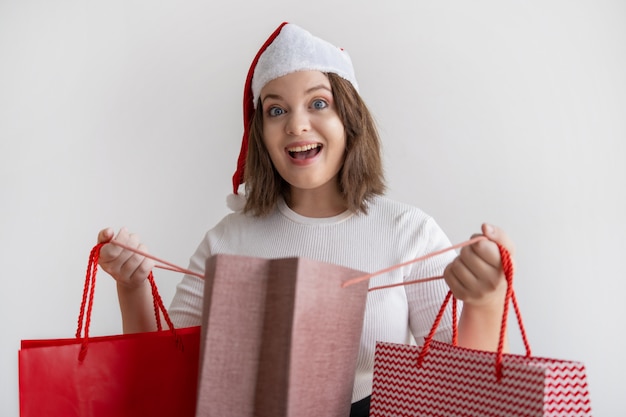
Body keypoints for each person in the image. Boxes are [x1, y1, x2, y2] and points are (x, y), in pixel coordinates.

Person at [97, 22, 514, 417]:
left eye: (319, 103)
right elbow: (165, 379)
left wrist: (487, 301)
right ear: (259, 133)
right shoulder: (227, 241)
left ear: (349, 120)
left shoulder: (408, 231)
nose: (296, 124)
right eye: (276, 111)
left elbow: (463, 391)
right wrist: (132, 287)